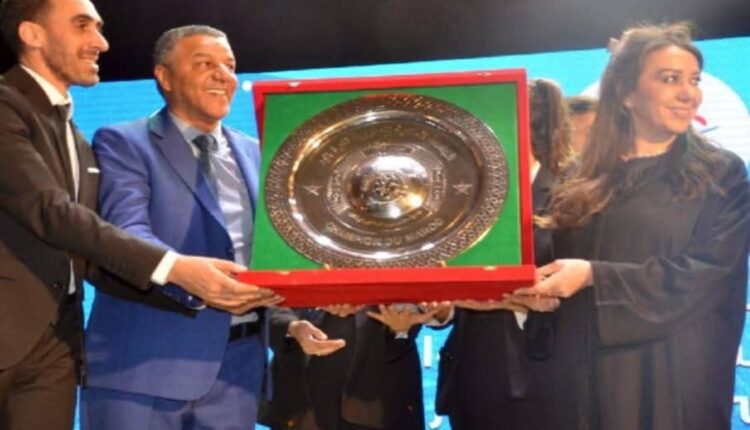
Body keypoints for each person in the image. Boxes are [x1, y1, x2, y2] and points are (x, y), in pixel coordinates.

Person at [0, 1, 269, 429]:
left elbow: (92, 256)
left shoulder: (72, 133)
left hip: (61, 345)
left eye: (230, 65)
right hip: (71, 350)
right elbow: (52, 213)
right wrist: (178, 270)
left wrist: (296, 307)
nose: (102, 42)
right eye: (83, 25)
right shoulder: (22, 111)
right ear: (33, 34)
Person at [515, 22, 750, 429]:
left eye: (694, 80)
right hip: (580, 383)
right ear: (625, 93)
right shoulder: (579, 179)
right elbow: (553, 272)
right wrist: (539, 296)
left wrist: (594, 276)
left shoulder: (720, 175)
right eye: (669, 78)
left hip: (673, 383)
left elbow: (708, 274)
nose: (688, 93)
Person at [79, 25, 282, 430]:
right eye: (205, 64)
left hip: (238, 373)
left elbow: (273, 249)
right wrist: (188, 275)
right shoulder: (124, 142)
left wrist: (304, 311)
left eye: (229, 65)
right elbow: (127, 232)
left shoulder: (257, 151)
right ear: (165, 77)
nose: (223, 75)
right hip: (141, 368)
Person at [435, 78, 571, 429]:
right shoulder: (467, 194)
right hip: (472, 375)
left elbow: (583, 284)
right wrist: (441, 305)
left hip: (545, 373)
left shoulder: (571, 192)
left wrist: (520, 301)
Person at [264, 303, 447, 430]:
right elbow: (267, 296)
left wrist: (403, 325)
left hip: (383, 398)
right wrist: (290, 326)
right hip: (301, 399)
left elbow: (428, 296)